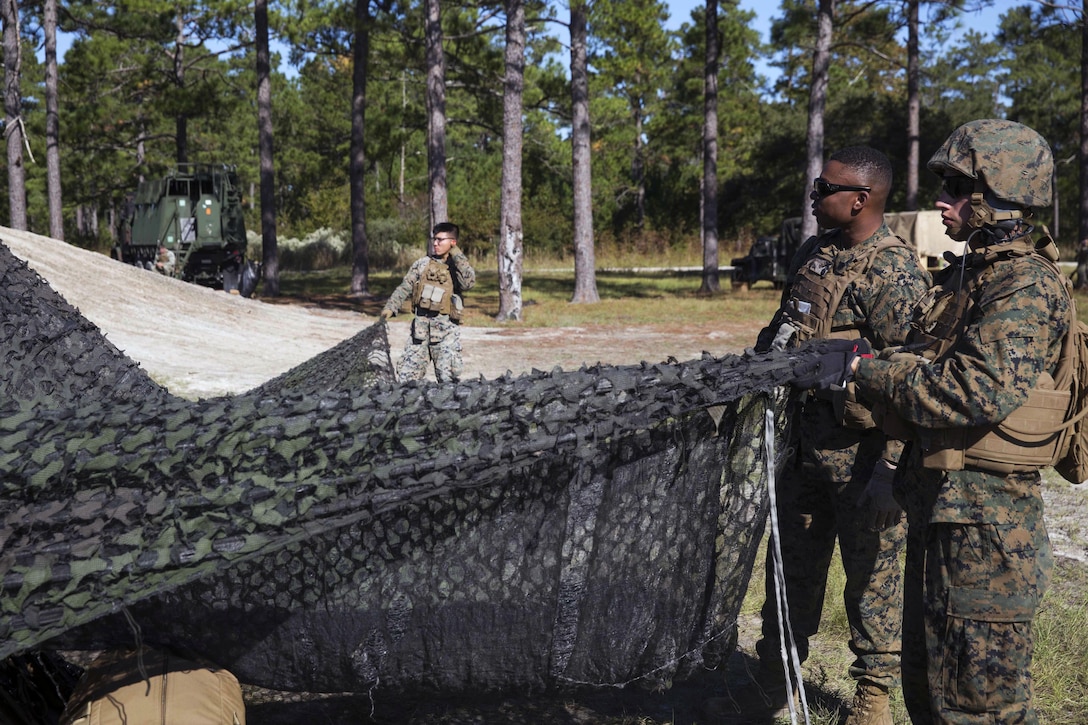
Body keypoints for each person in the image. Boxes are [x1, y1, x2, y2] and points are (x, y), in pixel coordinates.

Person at [799, 119, 1065, 724]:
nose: (941, 200)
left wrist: (865, 367)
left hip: (986, 533)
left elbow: (971, 392)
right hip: (941, 510)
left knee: (976, 707)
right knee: (928, 696)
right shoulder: (970, 277)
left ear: (1000, 198)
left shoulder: (1022, 285)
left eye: (958, 188)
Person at [708, 146, 931, 724]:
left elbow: (910, 380)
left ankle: (872, 696)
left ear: (859, 199)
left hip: (864, 459)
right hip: (803, 449)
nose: (813, 195)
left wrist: (889, 474)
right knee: (790, 572)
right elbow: (784, 331)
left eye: (824, 188)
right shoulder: (814, 254)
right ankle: (773, 676)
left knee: (872, 582)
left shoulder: (895, 272)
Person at [381, 222, 476, 382]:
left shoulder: (457, 268)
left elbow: (468, 283)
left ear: (452, 242)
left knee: (448, 381)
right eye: (434, 239)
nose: (435, 243)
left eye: (440, 240)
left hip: (446, 334)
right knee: (406, 379)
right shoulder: (422, 264)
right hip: (420, 332)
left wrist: (456, 254)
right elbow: (404, 287)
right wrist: (390, 307)